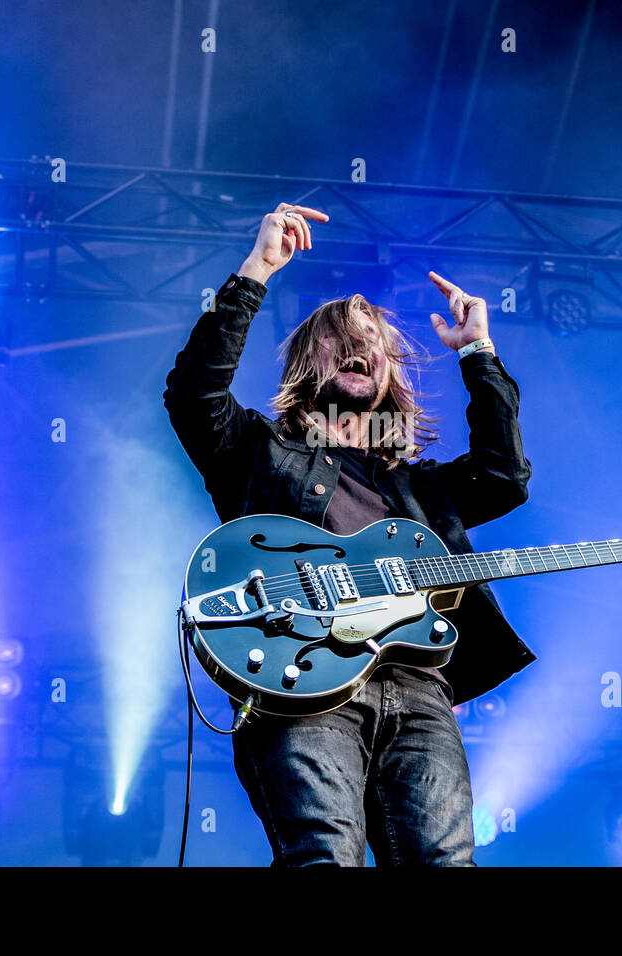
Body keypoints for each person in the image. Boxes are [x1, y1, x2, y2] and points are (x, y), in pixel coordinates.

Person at [163, 202, 536, 866]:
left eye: (375, 341)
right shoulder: (257, 449)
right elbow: (194, 396)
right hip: (300, 673)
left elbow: (504, 476)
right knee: (325, 855)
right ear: (312, 357)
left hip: (420, 684)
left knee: (445, 863)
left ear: (389, 373)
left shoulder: (422, 490)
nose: (362, 344)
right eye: (344, 334)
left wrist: (478, 351)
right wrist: (257, 271)